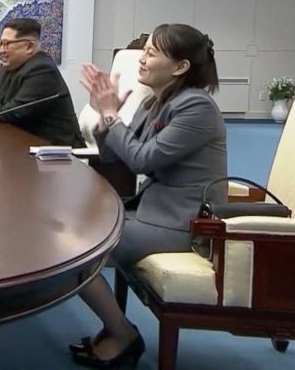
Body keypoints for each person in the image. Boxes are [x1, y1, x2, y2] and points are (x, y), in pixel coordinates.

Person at [71, 23, 227, 368]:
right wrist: (104, 116)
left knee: (75, 253)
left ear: (181, 66)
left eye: (152, 53)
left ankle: (122, 334)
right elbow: (115, 157)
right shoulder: (155, 103)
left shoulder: (197, 108)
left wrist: (112, 115)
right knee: (71, 233)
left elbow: (144, 158)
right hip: (152, 211)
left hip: (184, 223)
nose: (141, 60)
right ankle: (116, 330)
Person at [0, 18, 84, 146]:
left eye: (7, 44)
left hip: (56, 154)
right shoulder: (6, 68)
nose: (1, 50)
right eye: (0, 43)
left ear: (29, 46)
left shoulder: (42, 70)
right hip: (20, 145)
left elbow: (14, 113)